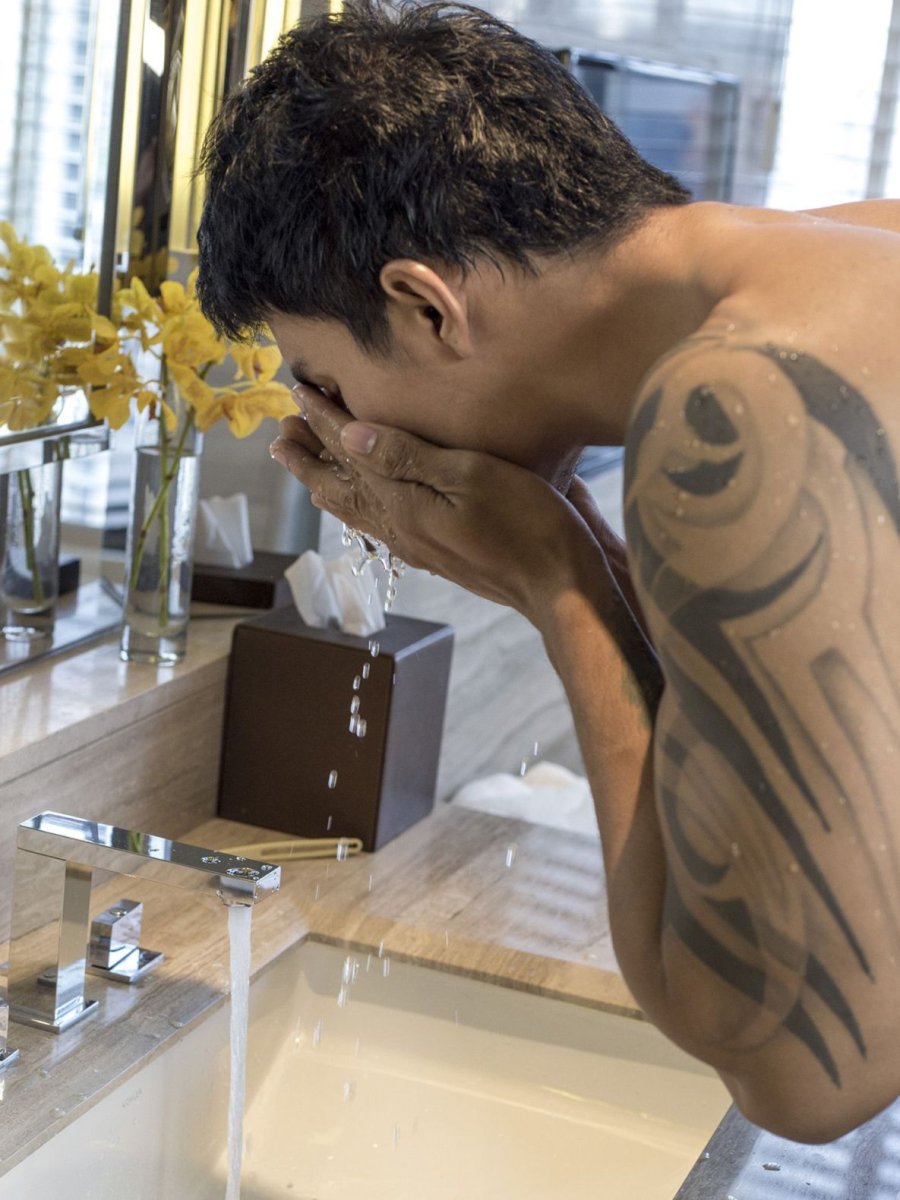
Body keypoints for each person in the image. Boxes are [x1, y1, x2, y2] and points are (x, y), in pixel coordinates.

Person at [195, 0, 900, 1143]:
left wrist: (558, 582)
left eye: (320, 381)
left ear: (425, 306)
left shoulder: (743, 405)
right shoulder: (835, 261)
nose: (324, 422)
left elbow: (800, 1077)